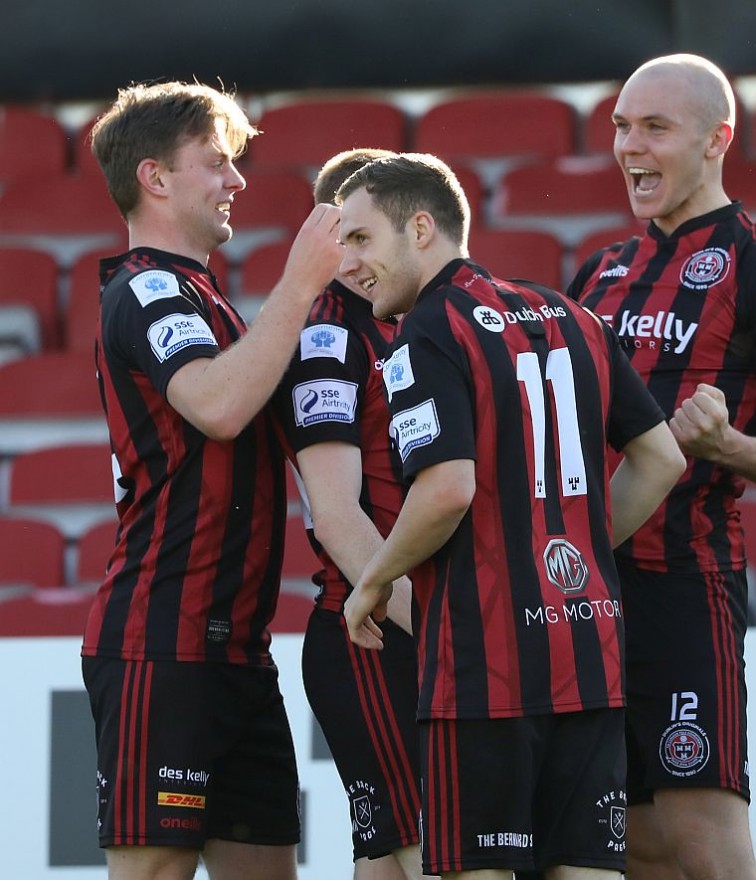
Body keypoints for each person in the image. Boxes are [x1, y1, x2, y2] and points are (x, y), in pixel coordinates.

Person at [335, 153, 687, 880]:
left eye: (362, 239)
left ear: (422, 228)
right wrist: (578, 545)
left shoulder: (427, 331)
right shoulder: (571, 315)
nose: (348, 262)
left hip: (482, 668)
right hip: (588, 654)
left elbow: (445, 489)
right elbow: (662, 460)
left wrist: (373, 579)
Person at [567, 54, 756, 880]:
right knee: (616, 843)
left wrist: (728, 446)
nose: (629, 147)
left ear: (718, 139)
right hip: (581, 594)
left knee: (703, 845)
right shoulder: (597, 273)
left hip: (685, 584)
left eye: (654, 128)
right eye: (619, 126)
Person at [79, 80, 343, 880]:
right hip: (162, 642)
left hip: (239, 654)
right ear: (155, 178)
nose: (237, 181)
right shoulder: (149, 289)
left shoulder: (211, 305)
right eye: (217, 163)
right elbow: (220, 408)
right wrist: (301, 283)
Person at [274, 148, 428, 880]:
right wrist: (447, 630)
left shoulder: (409, 325)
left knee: (389, 861)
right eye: (347, 234)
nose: (357, 251)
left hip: (404, 630)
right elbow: (337, 520)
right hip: (372, 634)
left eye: (370, 234)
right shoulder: (327, 338)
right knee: (437, 856)